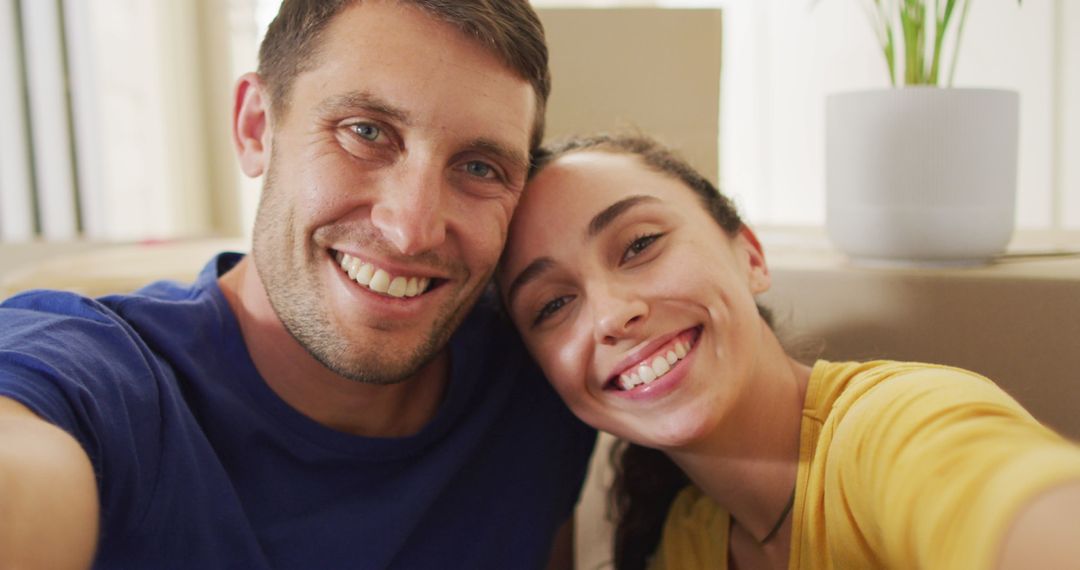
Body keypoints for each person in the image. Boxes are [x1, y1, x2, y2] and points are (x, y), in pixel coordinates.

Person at [0, 1, 595, 568]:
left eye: (478, 168)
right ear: (256, 126)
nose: (412, 229)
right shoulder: (99, 377)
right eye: (366, 131)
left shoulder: (545, 375)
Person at [496, 133, 1080, 570]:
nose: (610, 314)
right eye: (552, 306)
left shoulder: (888, 428)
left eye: (640, 244)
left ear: (750, 256)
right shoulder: (687, 539)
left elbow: (1014, 502)